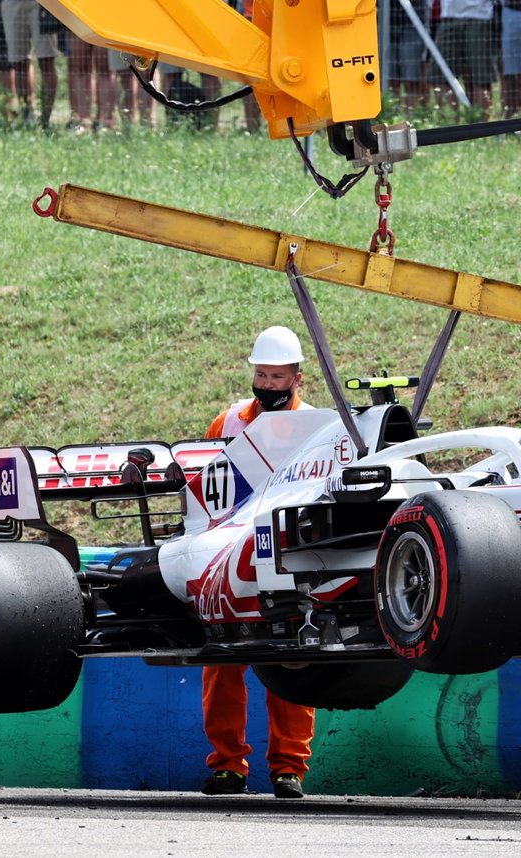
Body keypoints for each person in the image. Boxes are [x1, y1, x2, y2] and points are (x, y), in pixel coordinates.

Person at [200, 327, 315, 801]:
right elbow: (203, 485)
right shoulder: (225, 423)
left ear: (297, 377)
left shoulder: (320, 424)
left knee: (292, 663)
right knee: (222, 666)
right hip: (227, 556)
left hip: (290, 557)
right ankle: (228, 767)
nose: (266, 384)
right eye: (261, 374)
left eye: (276, 376)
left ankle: (289, 770)